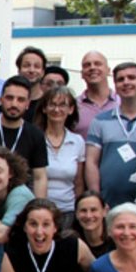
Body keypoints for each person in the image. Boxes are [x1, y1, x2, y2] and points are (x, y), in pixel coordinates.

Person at [0, 76, 48, 198]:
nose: (14, 104)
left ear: (28, 104)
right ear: (1, 100)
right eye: (9, 98)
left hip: (20, 201)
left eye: (20, 100)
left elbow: (39, 177)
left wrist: (38, 208)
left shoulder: (36, 135)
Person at [86, 62, 136, 207]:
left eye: (131, 77)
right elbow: (91, 162)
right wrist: (96, 200)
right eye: (120, 79)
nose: (126, 82)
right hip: (108, 203)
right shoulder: (100, 120)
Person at [33, 85, 85, 226]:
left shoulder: (77, 141)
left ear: (71, 109)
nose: (57, 110)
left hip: (68, 211)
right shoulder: (34, 138)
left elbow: (78, 183)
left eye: (62, 105)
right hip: (40, 212)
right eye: (52, 105)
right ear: (44, 108)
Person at [76, 50, 119, 140]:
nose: (92, 68)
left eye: (98, 64)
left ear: (108, 71)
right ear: (82, 74)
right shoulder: (73, 107)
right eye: (87, 65)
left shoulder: (122, 103)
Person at [72, 191, 112, 259]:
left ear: (105, 211)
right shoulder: (72, 244)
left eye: (93, 210)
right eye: (83, 211)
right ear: (76, 214)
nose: (88, 216)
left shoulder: (116, 242)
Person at [14, 46, 47, 110]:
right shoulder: (7, 101)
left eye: (37, 66)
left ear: (43, 72)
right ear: (19, 70)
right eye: (26, 66)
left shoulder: (48, 103)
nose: (31, 70)